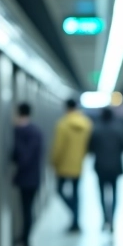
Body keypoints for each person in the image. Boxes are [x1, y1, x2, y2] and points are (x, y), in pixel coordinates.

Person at [50, 98, 93, 233]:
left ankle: (73, 213)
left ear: (66, 108)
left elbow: (58, 147)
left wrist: (53, 162)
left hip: (63, 165)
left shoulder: (62, 124)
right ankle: (75, 220)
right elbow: (88, 145)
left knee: (59, 191)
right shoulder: (87, 124)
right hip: (78, 164)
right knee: (76, 193)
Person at [89, 108, 123, 232]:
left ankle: (105, 218)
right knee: (115, 193)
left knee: (101, 194)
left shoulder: (96, 129)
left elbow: (90, 148)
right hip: (115, 166)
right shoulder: (119, 128)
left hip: (100, 167)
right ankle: (112, 219)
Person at [11, 102, 42, 246]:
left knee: (27, 210)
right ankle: (23, 239)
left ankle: (25, 241)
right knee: (27, 210)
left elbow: (23, 157)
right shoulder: (36, 131)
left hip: (27, 178)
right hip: (33, 178)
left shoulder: (22, 132)